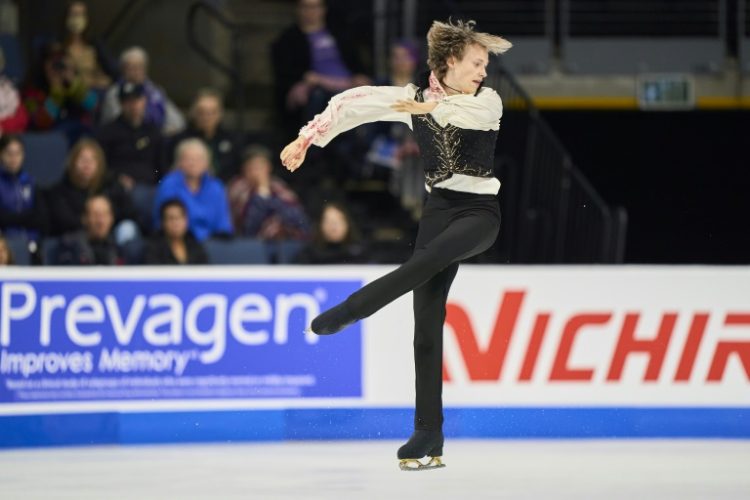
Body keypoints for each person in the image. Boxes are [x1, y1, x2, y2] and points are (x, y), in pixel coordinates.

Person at [280, 19, 511, 470]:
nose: (484, 72)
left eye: (485, 65)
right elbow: (353, 102)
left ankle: (352, 310)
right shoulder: (413, 98)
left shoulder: (487, 101)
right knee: (426, 327)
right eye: (477, 63)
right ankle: (429, 432)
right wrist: (307, 137)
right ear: (450, 61)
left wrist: (424, 110)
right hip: (439, 210)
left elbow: (466, 116)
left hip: (479, 214)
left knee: (423, 262)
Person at [271, 0, 370, 139]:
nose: (311, 11)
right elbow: (287, 72)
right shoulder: (288, 39)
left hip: (348, 83)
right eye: (306, 7)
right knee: (322, 99)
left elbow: (356, 62)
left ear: (323, 9)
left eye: (315, 7)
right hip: (318, 89)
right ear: (298, 9)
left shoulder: (339, 33)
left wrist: (360, 75)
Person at [46, 137, 138, 240]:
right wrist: (91, 223)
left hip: (111, 236)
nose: (87, 164)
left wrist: (106, 220)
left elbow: (129, 213)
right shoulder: (59, 192)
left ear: (99, 164)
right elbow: (62, 221)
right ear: (72, 162)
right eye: (82, 159)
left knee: (127, 228)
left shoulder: (111, 185)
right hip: (75, 240)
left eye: (92, 159)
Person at [154, 138, 233, 242]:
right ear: (179, 162)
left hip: (212, 242)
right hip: (179, 242)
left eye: (198, 159)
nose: (193, 163)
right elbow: (164, 222)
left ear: (207, 163)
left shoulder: (216, 186)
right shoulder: (169, 184)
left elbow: (223, 223)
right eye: (188, 159)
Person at [227, 145, 310, 241]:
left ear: (269, 168)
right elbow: (249, 226)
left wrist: (269, 200)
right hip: (250, 246)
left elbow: (298, 218)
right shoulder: (238, 188)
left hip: (284, 243)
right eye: (253, 167)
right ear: (245, 170)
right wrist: (262, 194)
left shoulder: (278, 187)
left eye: (261, 167)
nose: (257, 172)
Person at [99, 46, 185, 135]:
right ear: (123, 70)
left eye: (139, 67)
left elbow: (178, 121)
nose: (135, 72)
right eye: (131, 68)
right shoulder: (114, 94)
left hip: (157, 138)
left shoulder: (155, 91)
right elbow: (115, 123)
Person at [95, 81, 164, 189]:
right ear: (121, 104)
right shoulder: (108, 132)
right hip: (118, 187)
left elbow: (161, 165)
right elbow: (101, 165)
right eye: (128, 101)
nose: (133, 106)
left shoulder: (154, 132)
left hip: (150, 185)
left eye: (137, 99)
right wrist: (116, 177)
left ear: (144, 101)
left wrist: (158, 182)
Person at [168, 89, 241, 181]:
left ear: (220, 113)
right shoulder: (180, 140)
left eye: (212, 112)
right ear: (193, 112)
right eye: (202, 112)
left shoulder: (232, 139)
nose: (207, 117)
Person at [0, 135, 47, 245]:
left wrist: (11, 218)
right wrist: (27, 217)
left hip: (32, 242)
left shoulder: (31, 182)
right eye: (9, 153)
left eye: (18, 153)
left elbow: (41, 218)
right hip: (5, 244)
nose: (14, 158)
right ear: (1, 154)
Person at [52, 194, 123, 265]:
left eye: (105, 214)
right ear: (84, 219)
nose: (101, 221)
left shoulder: (118, 248)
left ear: (112, 218)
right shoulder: (69, 246)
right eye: (96, 215)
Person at [60, 1, 117, 91]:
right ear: (66, 18)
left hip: (93, 94)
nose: (76, 19)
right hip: (68, 94)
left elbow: (112, 71)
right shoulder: (58, 47)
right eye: (73, 14)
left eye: (80, 14)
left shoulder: (95, 45)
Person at [295, 201, 365, 264]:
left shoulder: (361, 253)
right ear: (320, 225)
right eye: (328, 221)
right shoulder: (308, 255)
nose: (333, 226)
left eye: (338, 220)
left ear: (347, 224)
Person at [145, 198, 208, 265]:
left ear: (186, 220)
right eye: (171, 218)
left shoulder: (194, 243)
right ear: (163, 222)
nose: (175, 223)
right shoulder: (154, 247)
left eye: (179, 218)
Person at [0, 47, 29, 135]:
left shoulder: (9, 88)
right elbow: (42, 121)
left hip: (12, 138)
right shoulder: (33, 94)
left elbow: (23, 119)